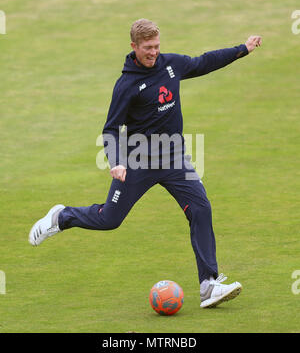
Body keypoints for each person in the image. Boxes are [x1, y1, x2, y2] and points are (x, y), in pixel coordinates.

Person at [29, 19, 262, 308]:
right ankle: (61, 217)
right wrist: (116, 162)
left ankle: (209, 285)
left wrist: (243, 49)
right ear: (134, 47)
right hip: (137, 161)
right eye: (147, 48)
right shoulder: (126, 85)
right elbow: (111, 129)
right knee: (109, 220)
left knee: (201, 209)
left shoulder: (172, 65)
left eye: (156, 46)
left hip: (175, 159)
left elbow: (204, 62)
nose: (153, 52)